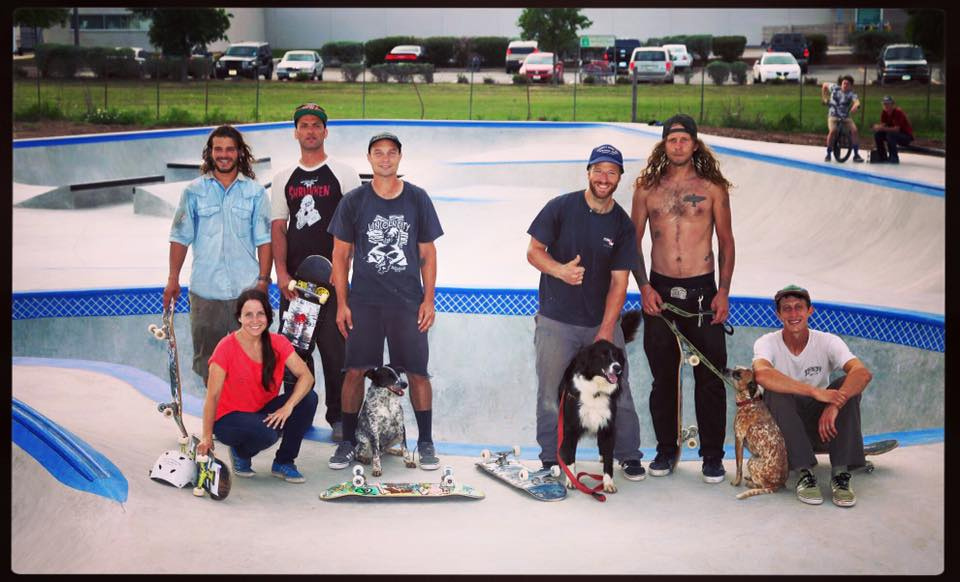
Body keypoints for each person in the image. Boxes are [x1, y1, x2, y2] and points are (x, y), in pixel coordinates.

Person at [526, 144, 646, 481]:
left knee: (618, 390)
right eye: (599, 170)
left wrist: (607, 328)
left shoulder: (622, 224)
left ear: (620, 177)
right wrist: (559, 270)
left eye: (612, 172)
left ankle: (627, 454)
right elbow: (534, 252)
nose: (604, 178)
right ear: (588, 172)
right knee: (551, 390)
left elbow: (620, 282)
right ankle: (551, 457)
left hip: (599, 322)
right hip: (557, 321)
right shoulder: (561, 207)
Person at [326, 132, 444, 471]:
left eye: (391, 153)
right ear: (369, 158)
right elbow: (341, 256)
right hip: (365, 301)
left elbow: (427, 254)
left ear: (400, 157)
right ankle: (348, 441)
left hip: (407, 302)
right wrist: (343, 303)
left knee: (418, 373)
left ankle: (425, 441)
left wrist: (428, 300)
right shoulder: (354, 201)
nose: (385, 158)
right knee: (355, 371)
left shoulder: (417, 199)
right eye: (378, 153)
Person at [630, 114, 735, 483]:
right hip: (659, 292)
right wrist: (644, 286)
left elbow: (726, 241)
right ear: (664, 145)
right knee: (663, 378)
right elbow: (633, 242)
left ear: (694, 144)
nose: (677, 146)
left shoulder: (712, 188)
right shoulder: (646, 189)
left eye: (683, 139)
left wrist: (723, 291)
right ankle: (665, 450)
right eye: (671, 140)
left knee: (709, 377)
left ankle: (712, 456)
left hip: (703, 293)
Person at [271, 104, 361, 443]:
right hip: (297, 285)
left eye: (316, 125)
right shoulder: (283, 178)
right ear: (295, 132)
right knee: (295, 352)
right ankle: (295, 412)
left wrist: (344, 270)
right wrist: (281, 275)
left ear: (325, 131)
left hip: (334, 281)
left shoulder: (344, 174)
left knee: (337, 351)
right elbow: (278, 228)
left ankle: (338, 416)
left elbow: (352, 227)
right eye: (303, 125)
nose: (309, 131)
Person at [164, 125, 273, 387]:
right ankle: (215, 423)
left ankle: (247, 421)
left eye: (230, 149)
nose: (224, 155)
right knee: (209, 365)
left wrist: (262, 282)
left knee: (252, 360)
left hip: (245, 292)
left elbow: (265, 241)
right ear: (210, 153)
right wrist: (173, 278)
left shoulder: (255, 193)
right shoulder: (193, 191)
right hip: (206, 292)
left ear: (239, 153)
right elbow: (180, 237)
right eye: (218, 149)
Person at [752, 285, 872, 507]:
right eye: (786, 309)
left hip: (824, 424)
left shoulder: (827, 341)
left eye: (799, 308)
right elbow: (761, 374)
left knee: (847, 386)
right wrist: (816, 392)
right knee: (774, 392)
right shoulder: (767, 342)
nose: (793, 314)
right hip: (786, 426)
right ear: (778, 315)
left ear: (810, 311)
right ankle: (804, 472)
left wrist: (835, 403)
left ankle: (840, 474)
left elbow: (862, 373)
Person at [196, 288, 318, 483]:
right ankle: (240, 453)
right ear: (239, 318)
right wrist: (206, 436)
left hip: (260, 412)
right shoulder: (226, 347)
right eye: (248, 315)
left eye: (260, 314)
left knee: (308, 398)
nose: (255, 320)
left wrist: (288, 406)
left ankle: (284, 462)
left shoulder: (278, 343)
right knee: (267, 433)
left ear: (268, 316)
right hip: (229, 419)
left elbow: (306, 376)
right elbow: (212, 397)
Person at [821, 75, 864, 163]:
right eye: (844, 83)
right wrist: (824, 98)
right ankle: (828, 153)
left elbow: (857, 102)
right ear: (841, 83)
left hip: (845, 116)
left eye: (847, 84)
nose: (845, 85)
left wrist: (856, 106)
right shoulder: (834, 88)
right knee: (833, 131)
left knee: (854, 131)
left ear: (851, 86)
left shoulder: (851, 94)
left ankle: (856, 155)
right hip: (833, 116)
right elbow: (824, 85)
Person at [871, 95, 914, 164]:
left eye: (887, 104)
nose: (886, 106)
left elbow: (897, 129)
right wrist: (877, 127)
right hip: (893, 134)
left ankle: (894, 157)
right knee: (878, 134)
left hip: (905, 136)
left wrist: (882, 128)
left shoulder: (898, 112)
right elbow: (883, 124)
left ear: (892, 104)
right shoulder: (884, 112)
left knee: (890, 135)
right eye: (884, 104)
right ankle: (882, 156)